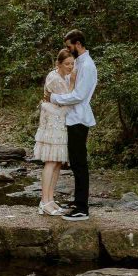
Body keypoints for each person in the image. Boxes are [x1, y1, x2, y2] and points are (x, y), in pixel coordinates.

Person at [50, 29, 97, 221]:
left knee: (79, 163)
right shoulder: (79, 63)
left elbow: (79, 95)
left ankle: (82, 209)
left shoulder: (88, 66)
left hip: (79, 118)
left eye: (69, 47)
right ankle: (78, 203)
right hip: (73, 117)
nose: (68, 50)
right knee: (76, 163)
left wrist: (55, 98)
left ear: (78, 44)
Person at [34, 49, 75, 216]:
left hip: (61, 121)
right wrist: (73, 83)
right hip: (52, 122)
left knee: (57, 162)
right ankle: (44, 201)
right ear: (59, 64)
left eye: (72, 64)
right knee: (51, 161)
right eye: (67, 64)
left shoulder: (64, 76)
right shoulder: (54, 78)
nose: (70, 67)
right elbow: (69, 98)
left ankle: (50, 199)